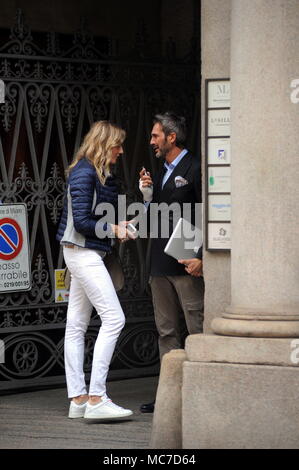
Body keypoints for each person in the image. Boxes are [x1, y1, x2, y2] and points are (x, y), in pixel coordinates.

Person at [56, 121, 134, 420]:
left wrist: (118, 226)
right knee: (114, 318)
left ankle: (78, 399)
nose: (121, 151)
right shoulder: (85, 172)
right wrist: (114, 229)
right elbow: (83, 222)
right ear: (105, 144)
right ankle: (97, 397)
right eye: (118, 145)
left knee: (76, 323)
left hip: (85, 252)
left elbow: (96, 215)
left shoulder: (96, 173)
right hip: (83, 252)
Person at [139, 112, 204, 413]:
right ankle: (169, 395)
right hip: (159, 261)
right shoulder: (161, 170)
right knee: (166, 331)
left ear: (171, 137)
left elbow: (208, 213)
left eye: (155, 136)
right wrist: (148, 196)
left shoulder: (196, 166)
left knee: (196, 326)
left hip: (186, 258)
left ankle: (201, 393)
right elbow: (156, 218)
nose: (151, 141)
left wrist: (202, 257)